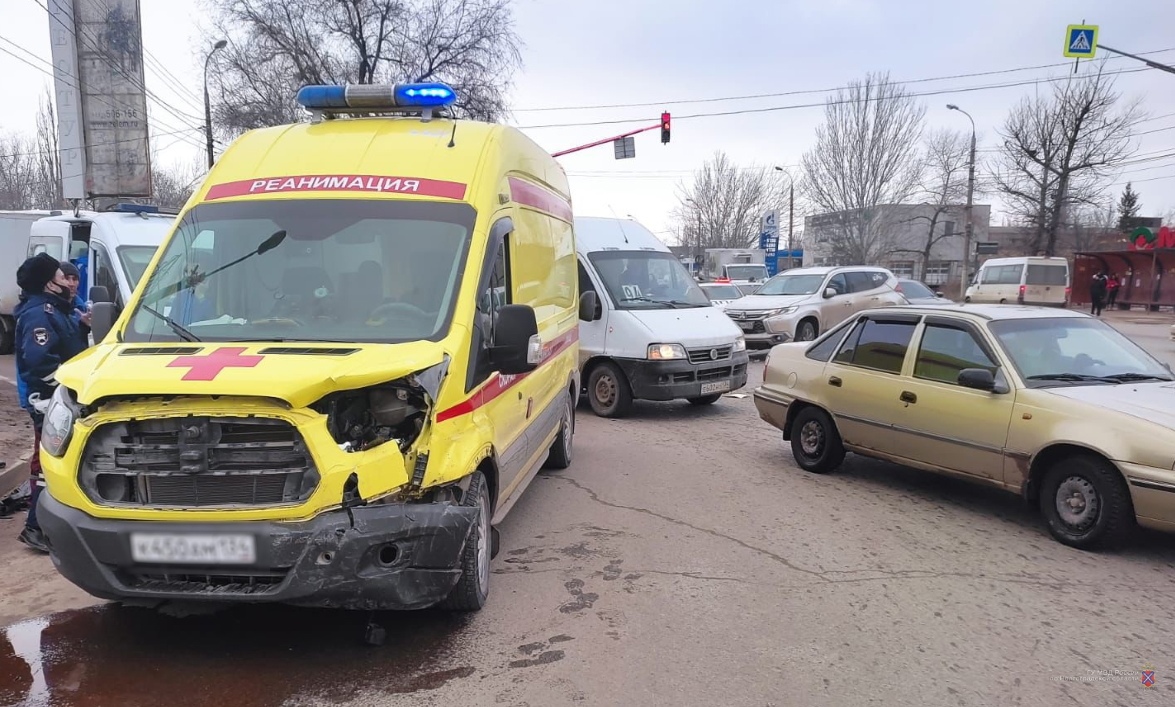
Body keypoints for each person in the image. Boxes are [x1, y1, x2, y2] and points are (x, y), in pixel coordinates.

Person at [13, 252, 89, 553]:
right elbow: (40, 364)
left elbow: (67, 348)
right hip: (49, 403)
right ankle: (36, 527)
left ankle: (43, 525)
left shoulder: (56, 310)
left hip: (58, 400)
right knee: (50, 465)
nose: (68, 282)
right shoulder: (39, 315)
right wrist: (67, 391)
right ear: (49, 284)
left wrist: (81, 327)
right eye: (61, 277)